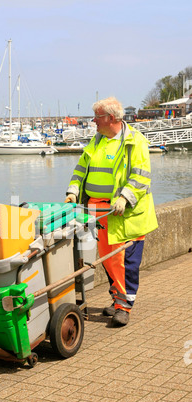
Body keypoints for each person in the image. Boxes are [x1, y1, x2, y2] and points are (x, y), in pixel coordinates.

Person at [65, 97, 158, 327]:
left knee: (127, 263)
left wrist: (125, 198)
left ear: (112, 118)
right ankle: (118, 299)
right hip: (101, 213)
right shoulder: (96, 141)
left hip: (127, 216)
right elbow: (81, 169)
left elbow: (141, 176)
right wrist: (73, 192)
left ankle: (124, 307)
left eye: (98, 117)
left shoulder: (135, 142)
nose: (94, 121)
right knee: (110, 261)